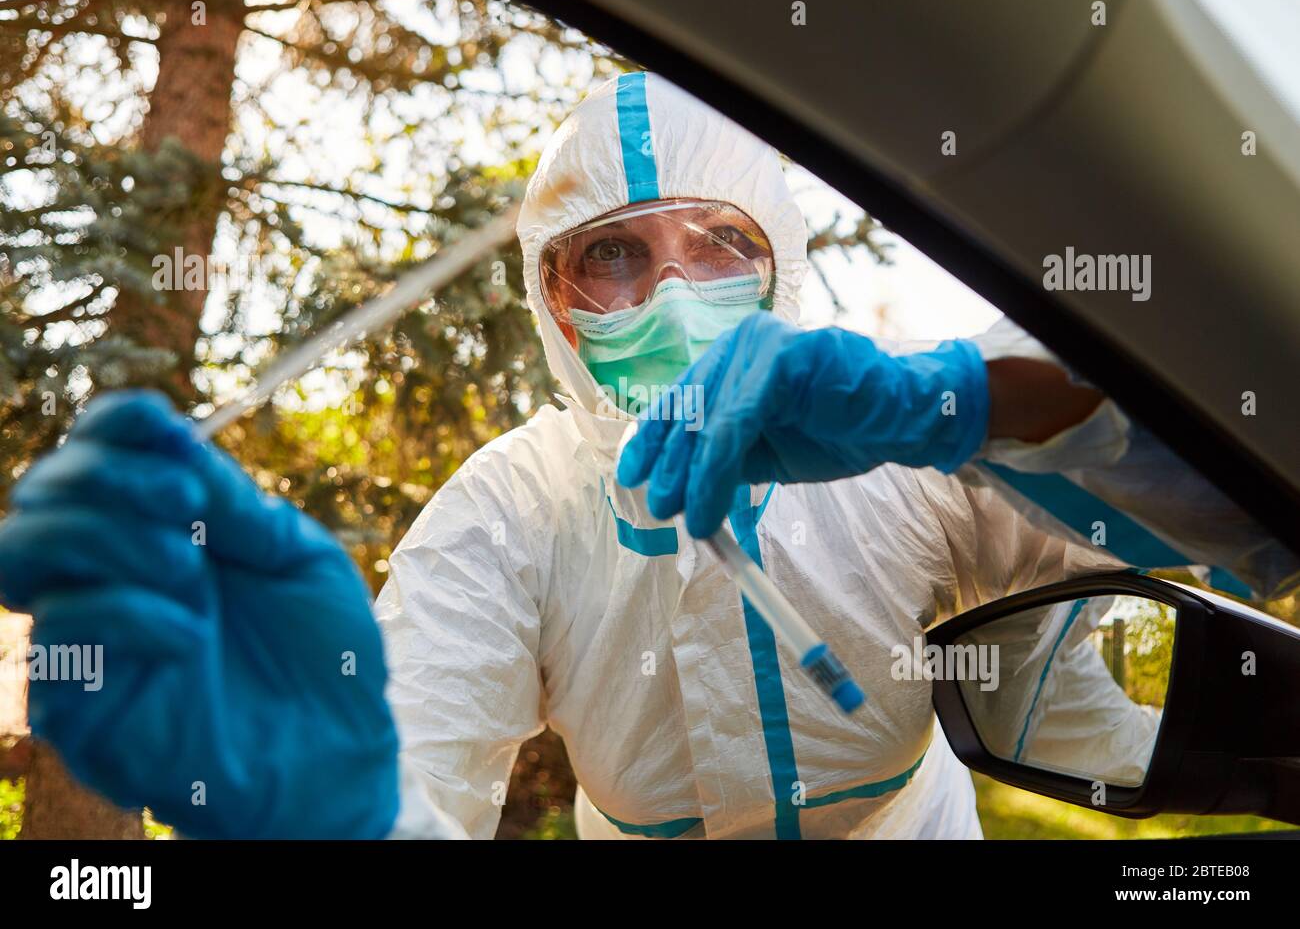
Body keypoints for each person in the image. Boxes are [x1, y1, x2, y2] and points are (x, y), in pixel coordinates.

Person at [0, 72, 1292, 839]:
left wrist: (990, 401)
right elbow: (421, 766)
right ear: (554, 301)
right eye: (613, 254)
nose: (672, 292)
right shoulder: (511, 510)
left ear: (778, 254)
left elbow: (1243, 516)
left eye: (718, 241)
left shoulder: (895, 430)